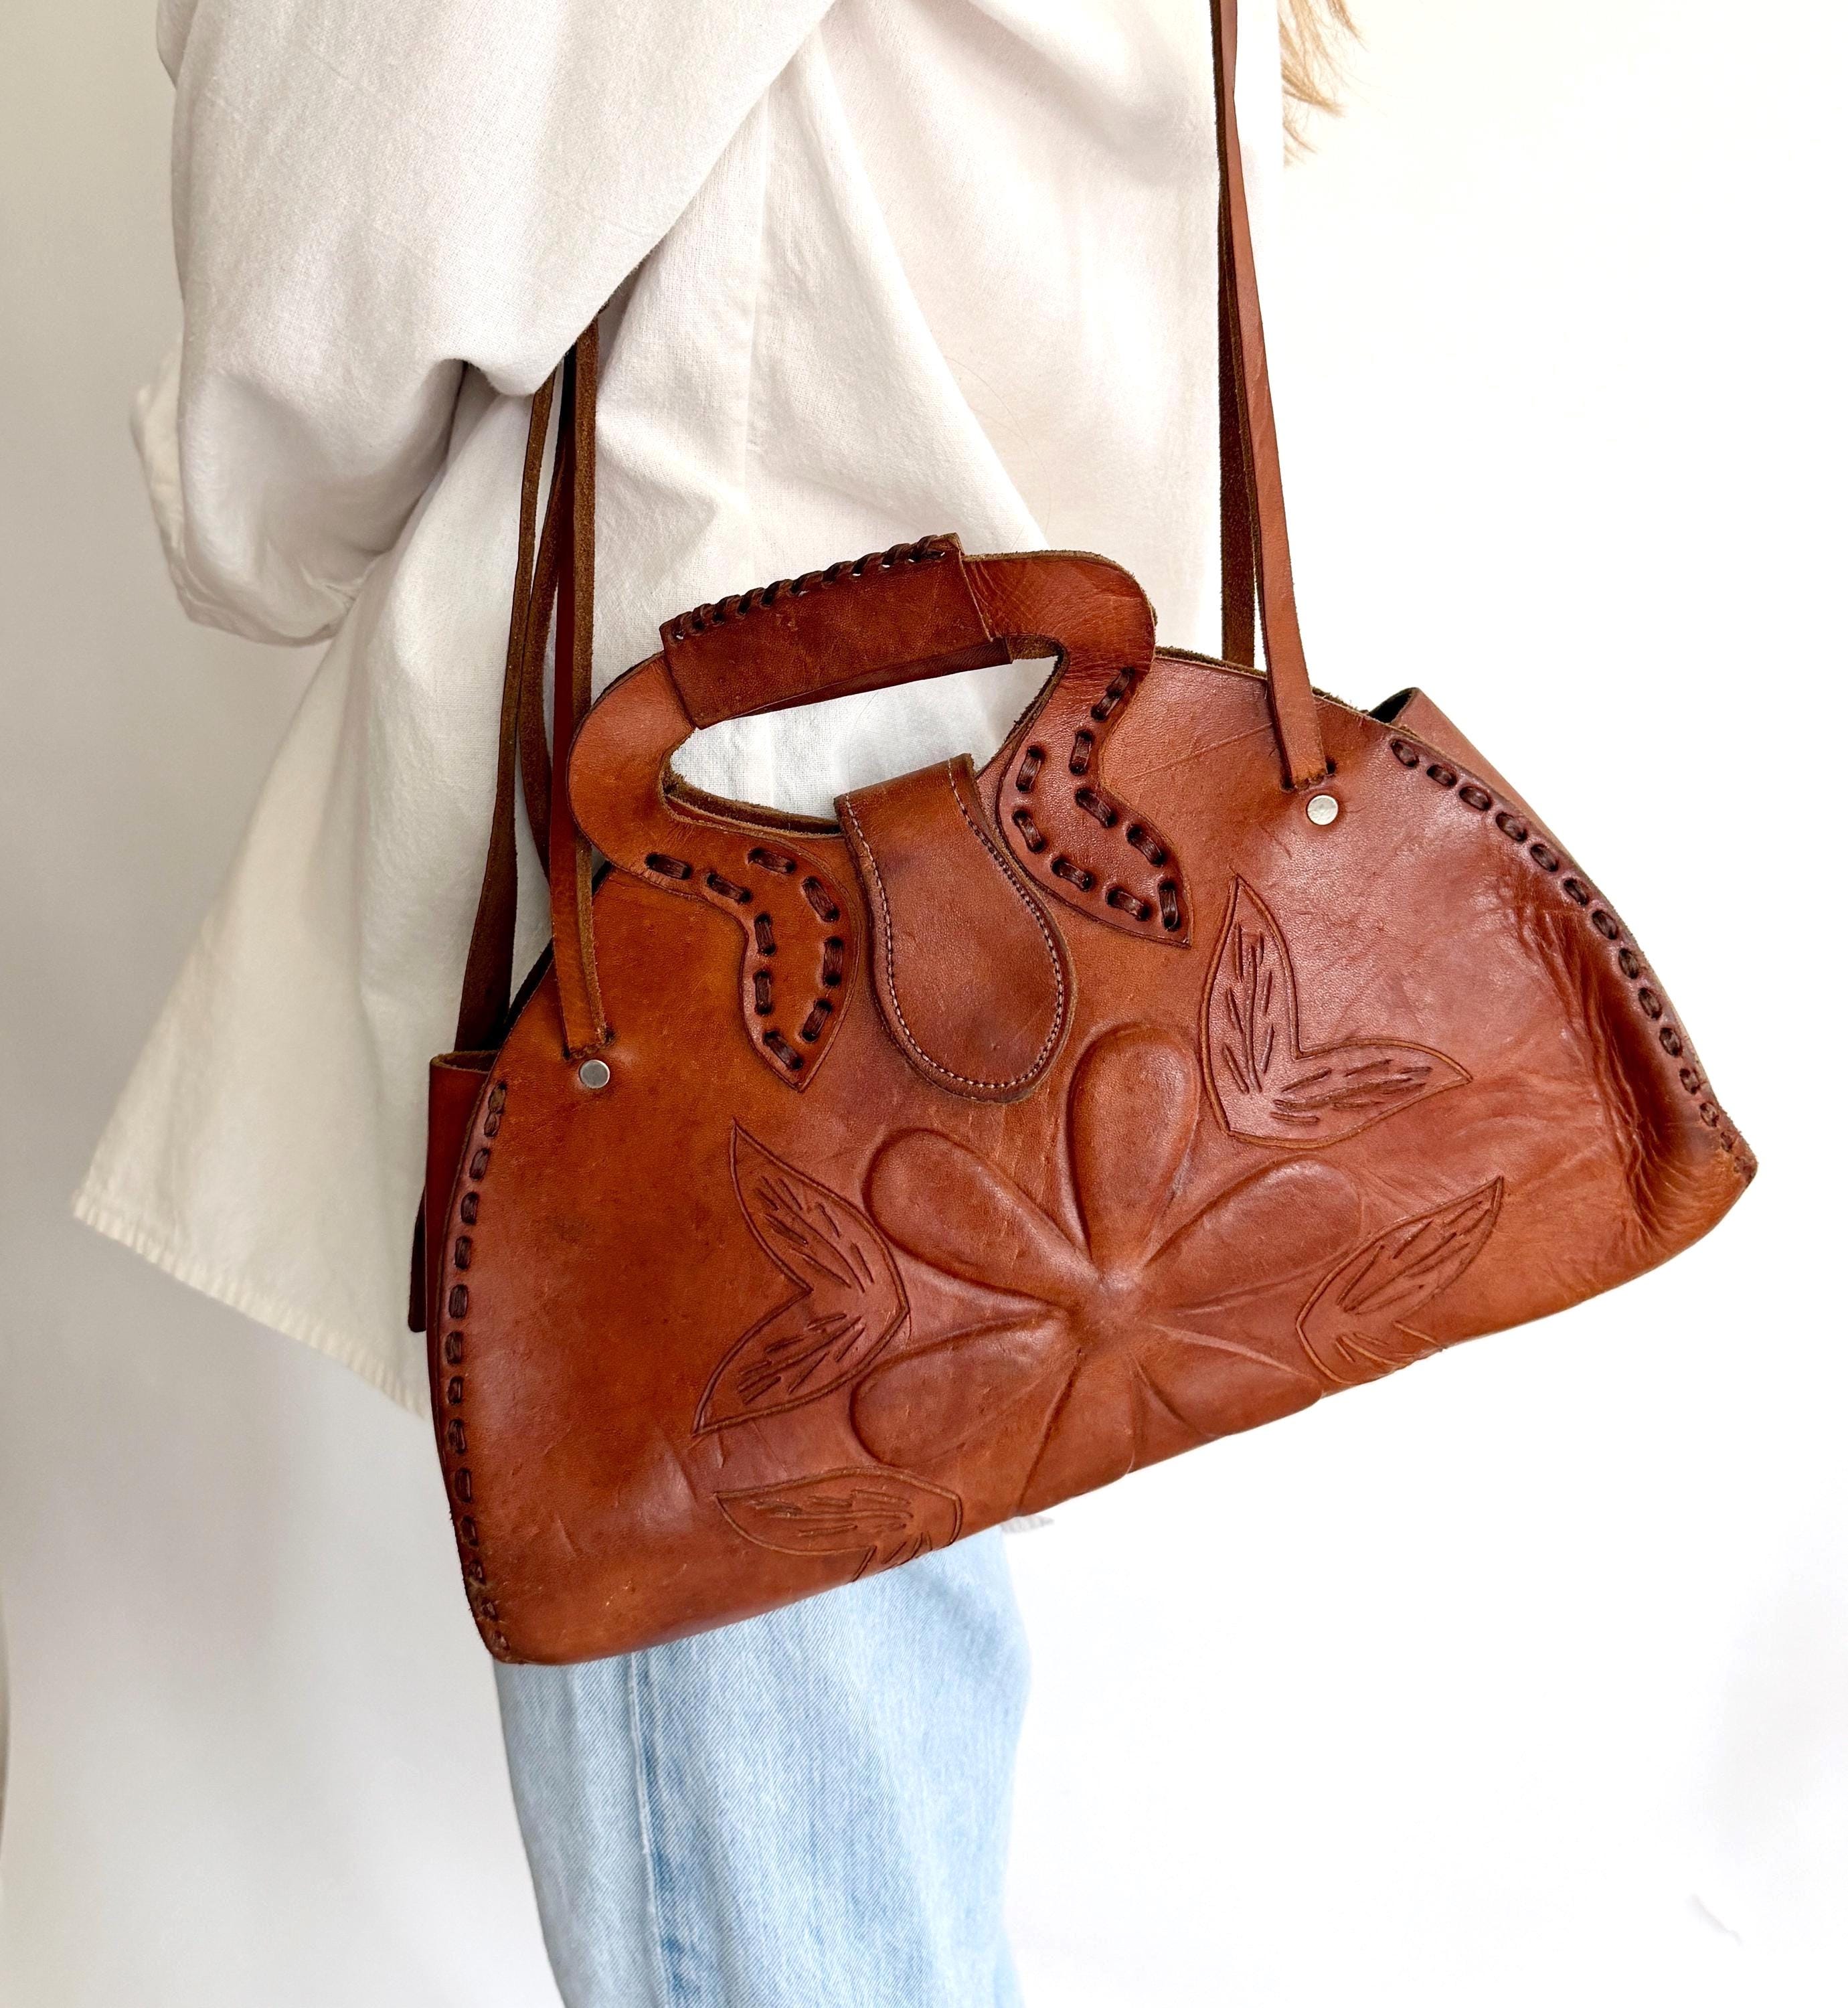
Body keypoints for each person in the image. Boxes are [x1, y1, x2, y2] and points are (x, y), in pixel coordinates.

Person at [81, 3, 1349, 2000]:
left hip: (724, 911)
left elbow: (347, 219)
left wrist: (238, 517)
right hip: (1059, 879)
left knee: (788, 1944)